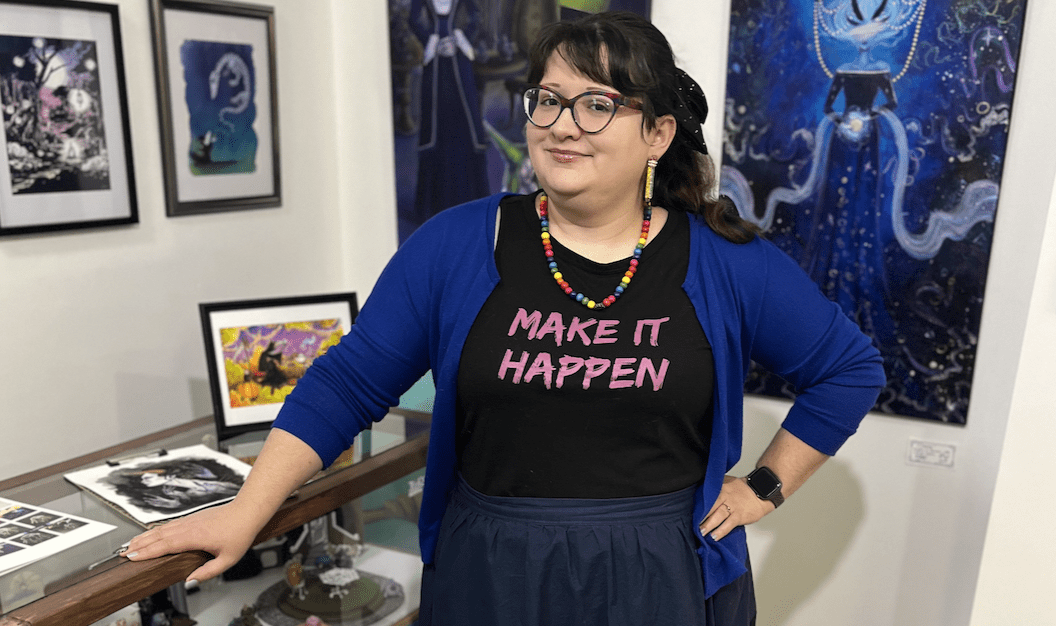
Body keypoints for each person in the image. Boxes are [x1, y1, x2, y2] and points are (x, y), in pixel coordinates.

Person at [124, 11, 885, 625]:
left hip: (662, 579)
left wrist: (763, 486)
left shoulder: (723, 259)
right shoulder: (458, 243)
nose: (564, 123)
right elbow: (347, 383)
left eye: (598, 104)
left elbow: (848, 370)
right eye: (549, 100)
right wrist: (246, 512)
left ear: (656, 134)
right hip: (490, 574)